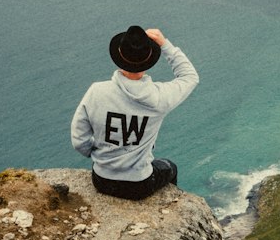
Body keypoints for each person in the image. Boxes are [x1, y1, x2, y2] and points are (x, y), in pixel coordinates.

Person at [70, 25, 198, 199]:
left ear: (119, 56)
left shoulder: (96, 92)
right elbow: (190, 76)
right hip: (139, 186)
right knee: (169, 166)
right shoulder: (159, 97)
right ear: (149, 59)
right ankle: (170, 204)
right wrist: (164, 44)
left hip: (102, 180)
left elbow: (79, 140)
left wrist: (100, 156)